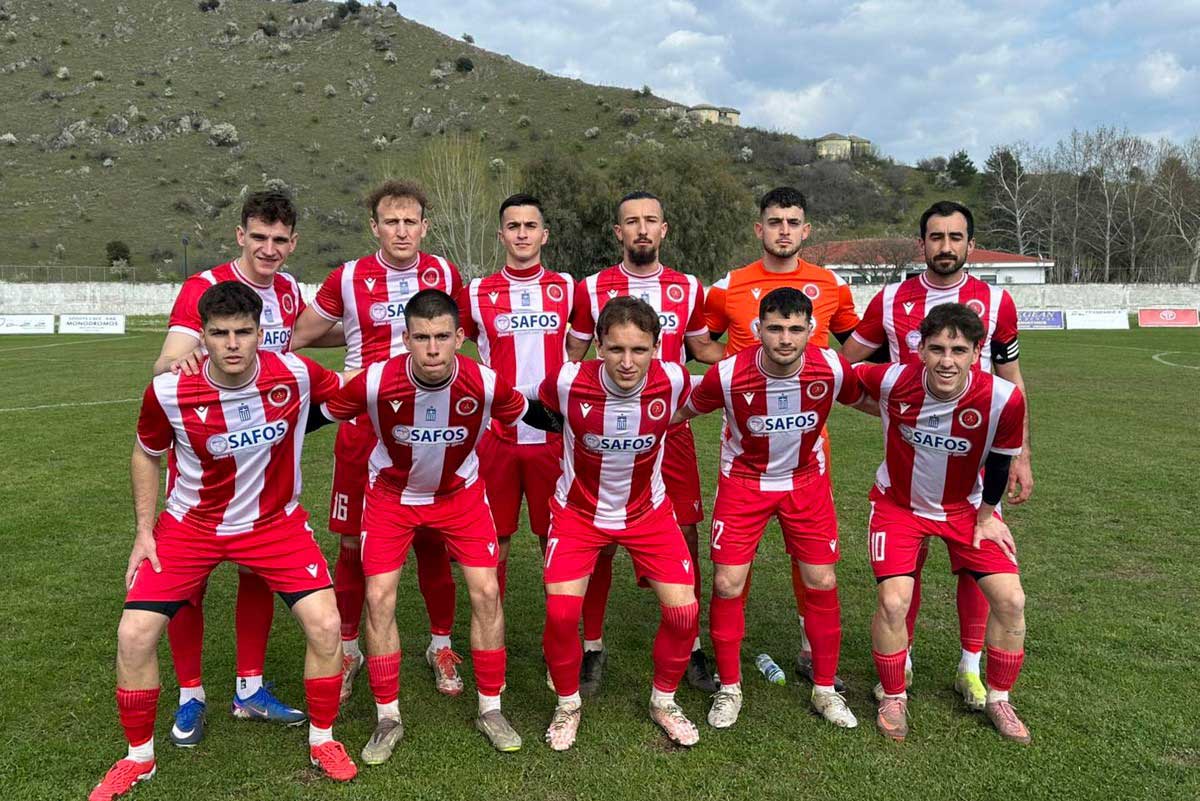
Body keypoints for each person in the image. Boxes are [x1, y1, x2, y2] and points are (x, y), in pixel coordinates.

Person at [90, 283, 356, 801]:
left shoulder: (295, 373)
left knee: (327, 626)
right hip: (191, 526)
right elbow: (146, 453)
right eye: (219, 333)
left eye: (243, 332)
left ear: (261, 332)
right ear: (203, 337)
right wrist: (144, 531)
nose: (232, 344)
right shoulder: (169, 390)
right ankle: (138, 757)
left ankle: (323, 740)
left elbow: (352, 390)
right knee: (134, 634)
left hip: (273, 524)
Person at [324, 289, 546, 759]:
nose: (432, 349)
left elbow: (535, 414)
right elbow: (316, 414)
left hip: (459, 496)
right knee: (379, 597)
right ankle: (387, 717)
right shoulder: (375, 381)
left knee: (486, 592)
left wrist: (595, 424)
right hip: (391, 497)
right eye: (421, 338)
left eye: (442, 337)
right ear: (405, 339)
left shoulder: (483, 382)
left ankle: (491, 708)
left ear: (460, 337)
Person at [840, 200, 1033, 711]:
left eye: (955, 237)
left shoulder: (996, 301)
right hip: (911, 455)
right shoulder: (890, 299)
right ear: (921, 243)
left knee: (976, 559)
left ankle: (970, 666)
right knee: (907, 563)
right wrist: (893, 412)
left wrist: (1021, 454)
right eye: (936, 237)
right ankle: (901, 659)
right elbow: (848, 366)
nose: (945, 246)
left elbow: (1010, 380)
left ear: (970, 244)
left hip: (974, 460)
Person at [152, 191, 316, 745]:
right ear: (240, 236)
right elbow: (166, 363)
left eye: (279, 240)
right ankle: (190, 695)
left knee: (258, 573)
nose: (269, 249)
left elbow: (296, 349)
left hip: (264, 462)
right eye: (259, 237)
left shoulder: (288, 290)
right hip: (207, 463)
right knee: (189, 583)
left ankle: (250, 688)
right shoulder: (204, 286)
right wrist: (183, 359)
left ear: (292, 243)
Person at [291, 181, 462, 703]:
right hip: (363, 426)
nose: (401, 231)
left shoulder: (445, 274)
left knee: (432, 537)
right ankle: (349, 649)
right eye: (392, 222)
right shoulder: (347, 277)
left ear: (424, 227)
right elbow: (299, 334)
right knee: (350, 543)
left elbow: (462, 334)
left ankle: (441, 645)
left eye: (410, 222)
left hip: (427, 421)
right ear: (375, 227)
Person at [676, 287, 870, 730]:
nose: (785, 339)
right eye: (776, 328)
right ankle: (730, 688)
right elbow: (681, 411)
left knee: (822, 580)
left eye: (795, 329)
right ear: (757, 329)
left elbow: (869, 402)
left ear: (811, 330)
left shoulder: (831, 367)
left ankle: (825, 689)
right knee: (727, 583)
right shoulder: (728, 374)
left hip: (806, 482)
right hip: (744, 483)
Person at [565, 191, 724, 694]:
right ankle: (592, 645)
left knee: (686, 530)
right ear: (618, 232)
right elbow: (573, 357)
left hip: (668, 431)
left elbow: (701, 347)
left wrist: (755, 357)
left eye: (650, 220)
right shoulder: (591, 288)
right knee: (599, 537)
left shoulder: (687, 287)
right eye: (631, 221)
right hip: (605, 430)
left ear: (663, 229)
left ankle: (690, 643)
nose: (641, 229)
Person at [703, 186, 860, 688]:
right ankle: (729, 655)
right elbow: (700, 341)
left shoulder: (831, 284)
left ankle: (811, 646)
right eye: (775, 222)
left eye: (793, 222)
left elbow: (859, 343)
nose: (784, 231)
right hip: (747, 443)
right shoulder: (728, 286)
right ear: (760, 228)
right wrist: (738, 369)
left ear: (806, 230)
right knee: (734, 565)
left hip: (809, 445)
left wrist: (826, 372)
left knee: (809, 558)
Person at [855, 303, 1031, 744]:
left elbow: (1000, 463)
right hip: (900, 506)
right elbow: (838, 378)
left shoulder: (1004, 398)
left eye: (958, 350)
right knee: (893, 602)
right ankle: (893, 696)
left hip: (967, 510)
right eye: (936, 349)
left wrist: (988, 517)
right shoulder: (893, 380)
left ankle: (999, 698)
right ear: (920, 350)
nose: (946, 361)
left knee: (1011, 600)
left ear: (976, 353)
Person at [540, 297, 701, 751]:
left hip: (648, 513)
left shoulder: (674, 380)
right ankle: (567, 704)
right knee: (561, 614)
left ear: (657, 348)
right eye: (616, 349)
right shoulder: (568, 381)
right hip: (578, 514)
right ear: (598, 346)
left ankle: (663, 701)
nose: (627, 362)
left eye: (639, 350)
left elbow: (702, 403)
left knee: (684, 613)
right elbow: (534, 405)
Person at [459, 194, 572, 592]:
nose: (522, 234)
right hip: (497, 435)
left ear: (544, 234)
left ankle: (561, 625)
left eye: (530, 226)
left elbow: (580, 344)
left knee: (555, 536)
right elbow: (452, 342)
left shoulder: (567, 287)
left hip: (552, 434)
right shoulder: (476, 292)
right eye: (513, 227)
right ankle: (493, 621)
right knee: (495, 537)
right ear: (501, 235)